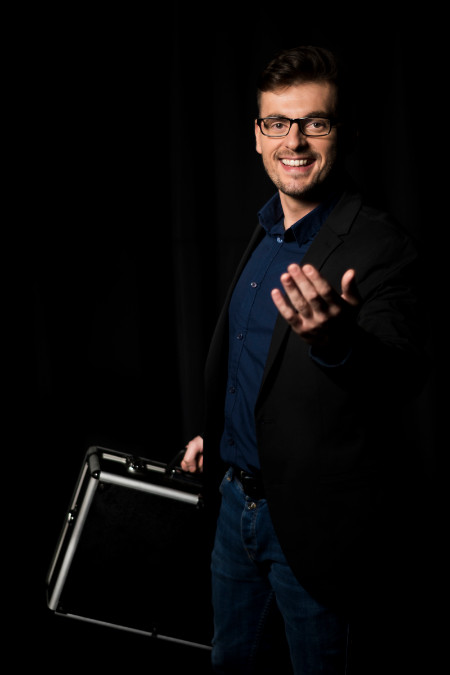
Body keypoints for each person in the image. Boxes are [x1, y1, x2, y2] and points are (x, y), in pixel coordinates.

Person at [181, 45, 426, 674]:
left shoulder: (382, 246)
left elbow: (400, 371)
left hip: (318, 535)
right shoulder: (267, 229)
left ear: (344, 133)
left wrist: (337, 342)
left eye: (315, 122)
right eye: (277, 123)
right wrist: (220, 431)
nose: (294, 141)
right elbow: (258, 364)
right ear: (257, 135)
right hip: (235, 512)